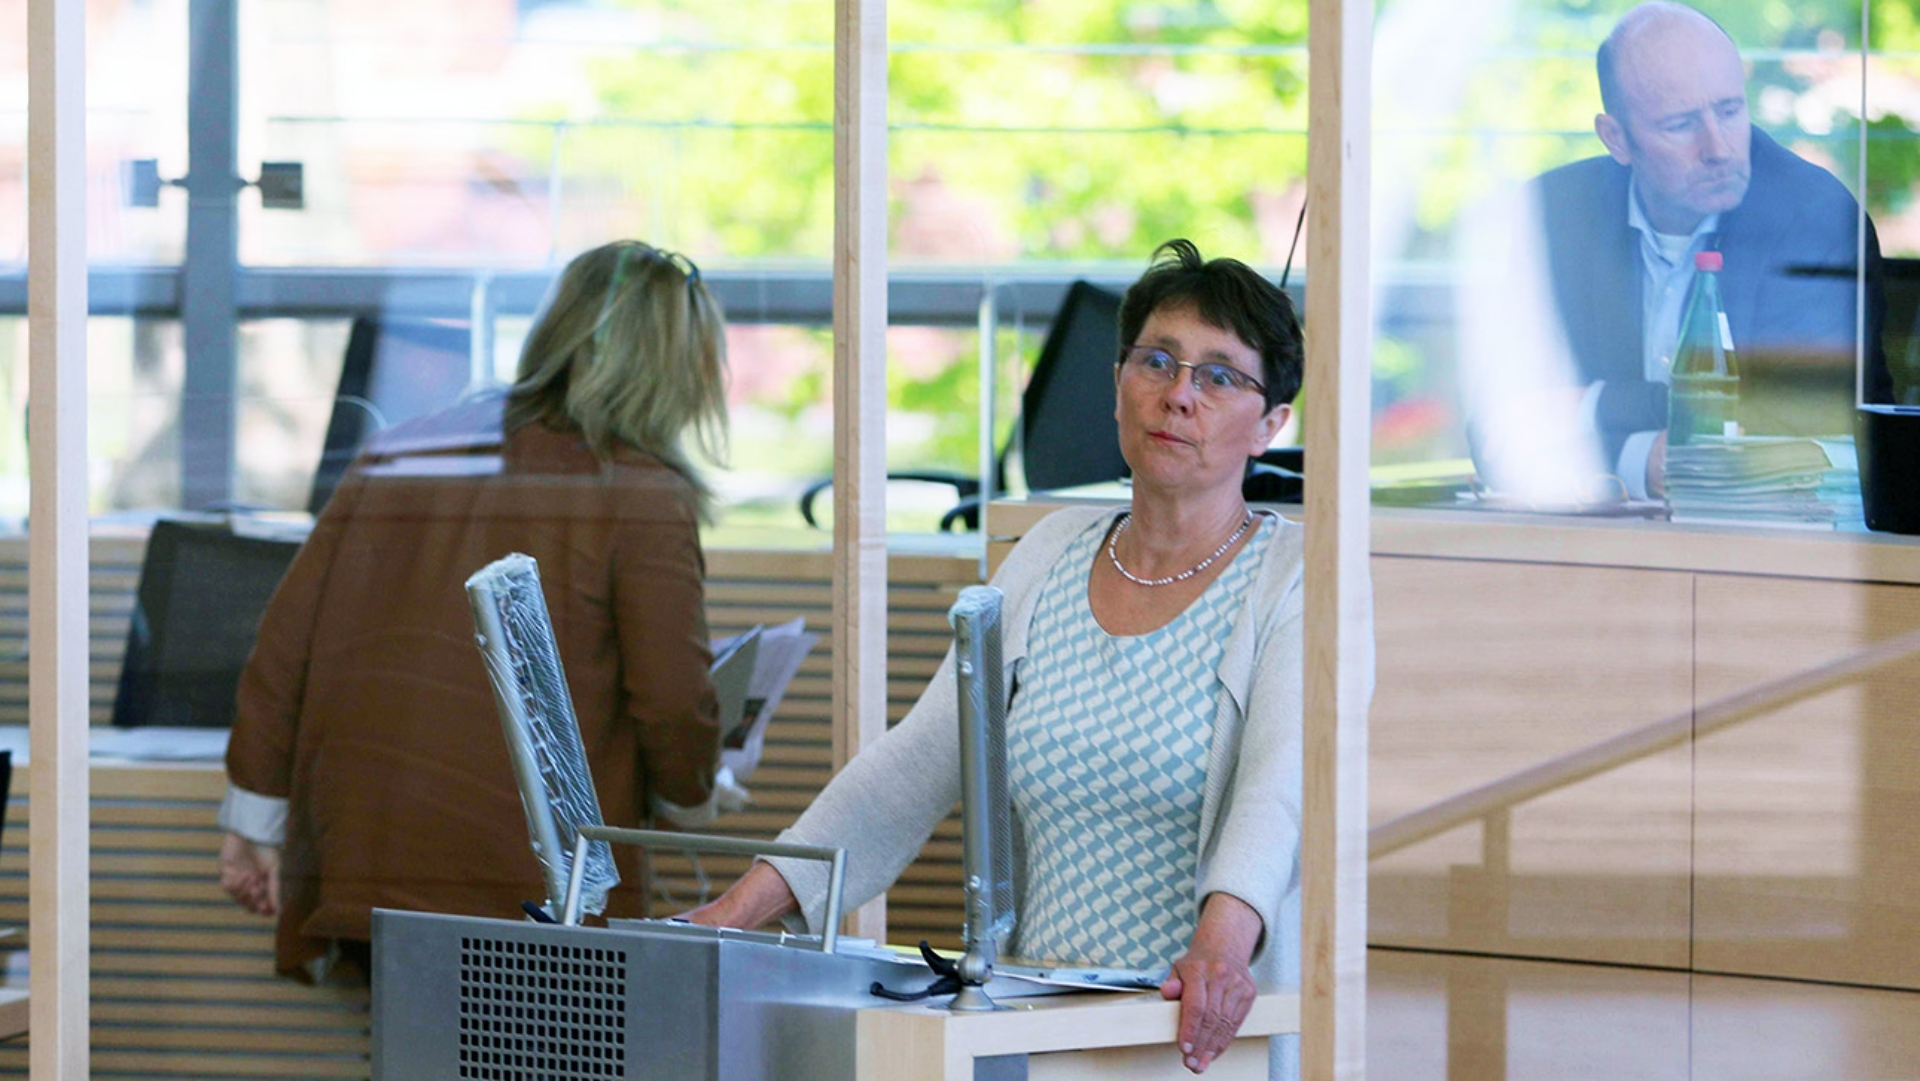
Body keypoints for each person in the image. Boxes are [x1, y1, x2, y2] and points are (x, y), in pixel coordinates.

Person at [685, 239, 1352, 1080]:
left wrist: (1219, 950)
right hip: (1037, 1036)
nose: (1180, 394)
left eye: (1220, 375)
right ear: (1117, 386)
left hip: (1202, 1037)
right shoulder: (1047, 552)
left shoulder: (1297, 575)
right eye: (1158, 360)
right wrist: (733, 914)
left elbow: (1280, 790)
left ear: (1271, 425)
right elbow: (911, 766)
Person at [217, 239, 730, 980]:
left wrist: (254, 817)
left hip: (372, 863)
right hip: (531, 890)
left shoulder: (402, 453)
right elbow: (674, 698)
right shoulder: (639, 492)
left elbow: (284, 647)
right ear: (675, 369)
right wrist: (693, 792)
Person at [1462, 1, 1893, 501]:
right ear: (1616, 139)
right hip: (1593, 549)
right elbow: (1498, 432)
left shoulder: (1814, 217)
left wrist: (1590, 407)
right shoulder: (1552, 218)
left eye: (1730, 111)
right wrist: (1643, 458)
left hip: (1781, 549)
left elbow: (1784, 435)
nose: (1719, 148)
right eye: (1681, 125)